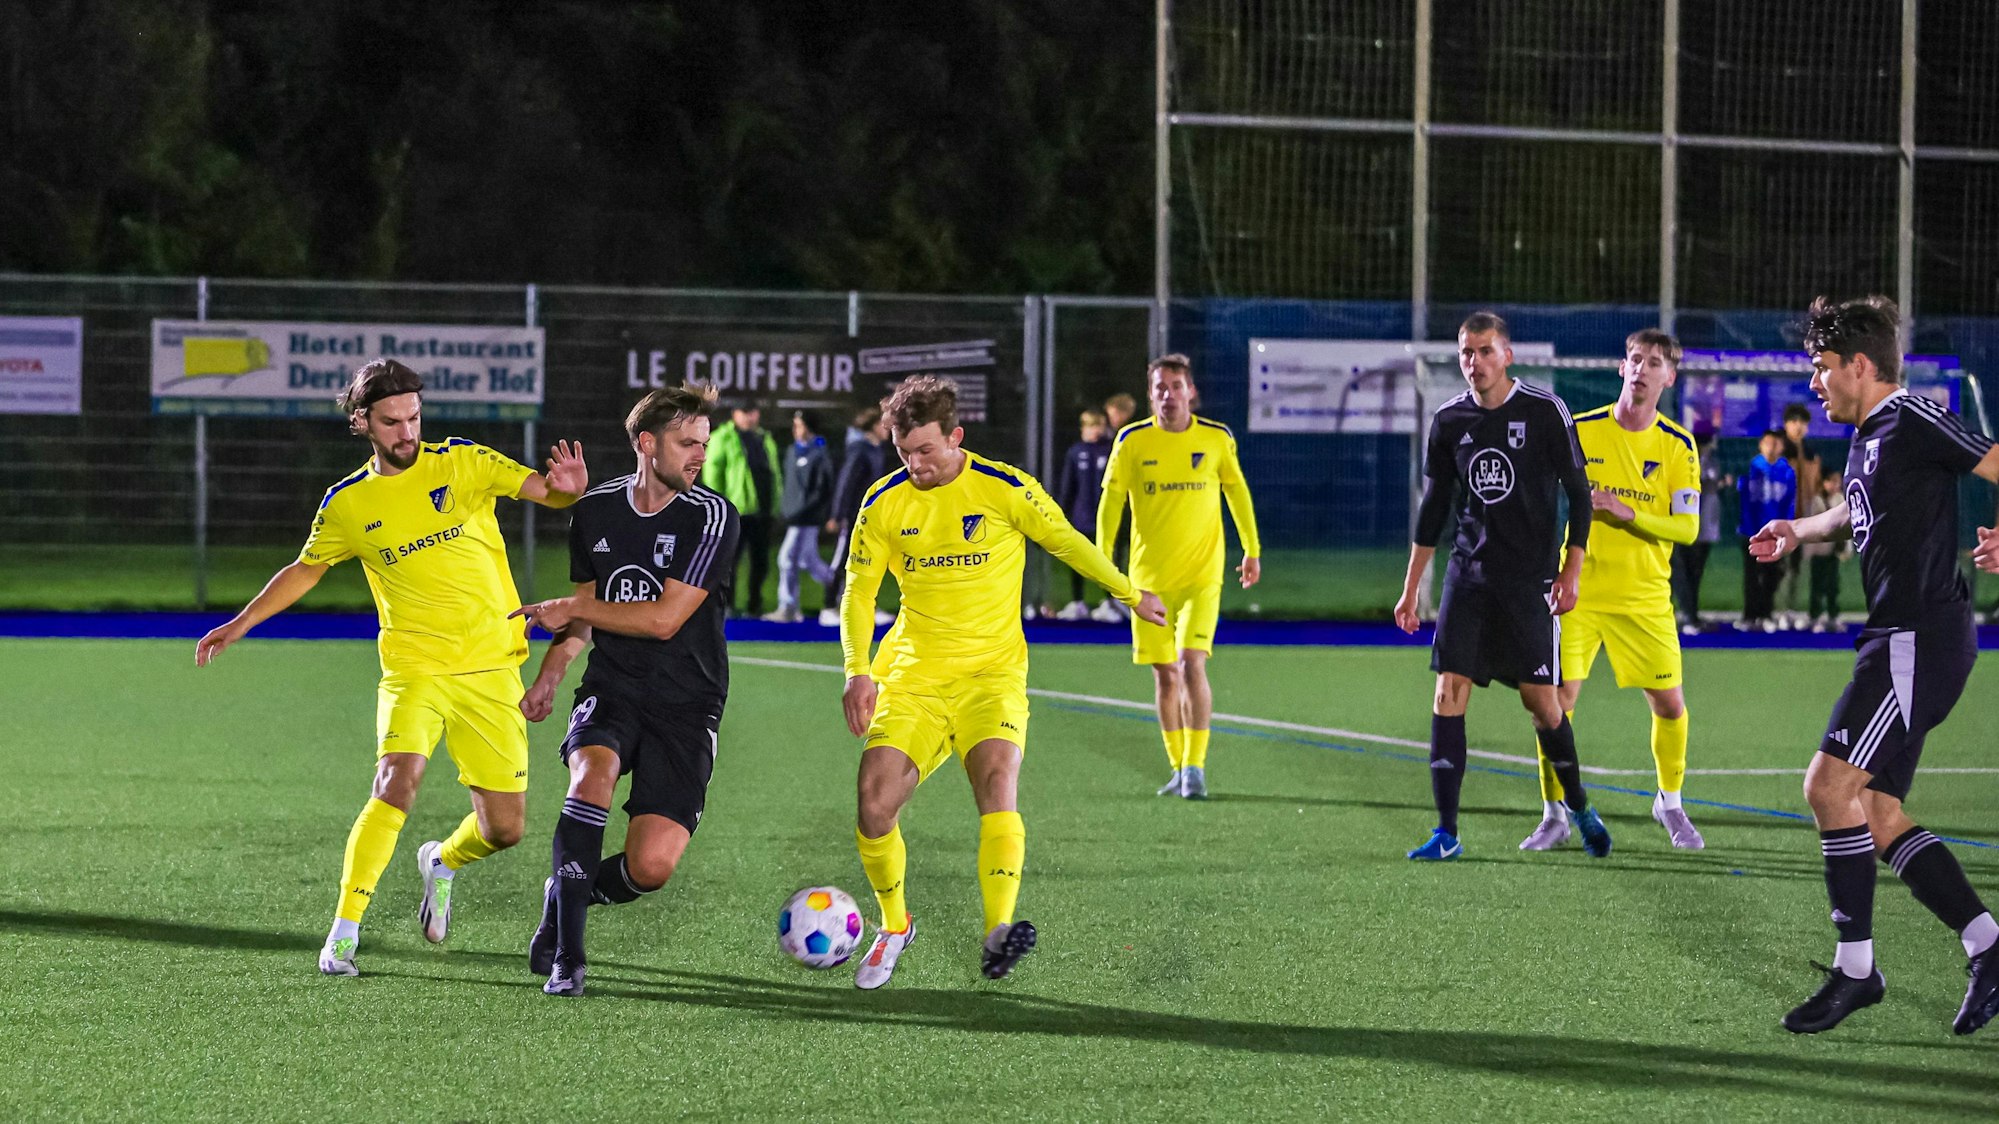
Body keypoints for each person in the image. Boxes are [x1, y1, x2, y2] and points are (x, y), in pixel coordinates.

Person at [194, 358, 587, 976]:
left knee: (505, 830)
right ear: (361, 422)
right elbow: (306, 569)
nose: (407, 432)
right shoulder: (348, 503)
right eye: (391, 422)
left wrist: (571, 487)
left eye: (413, 418)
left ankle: (442, 862)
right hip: (414, 668)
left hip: (491, 669)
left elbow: (551, 493)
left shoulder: (464, 462)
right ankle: (343, 934)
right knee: (394, 783)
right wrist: (240, 623)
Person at [837, 376, 1165, 989]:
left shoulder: (1004, 488)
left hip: (991, 676)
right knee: (874, 806)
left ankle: (997, 933)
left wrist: (1129, 593)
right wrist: (858, 671)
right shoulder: (883, 502)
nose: (915, 465)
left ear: (956, 437)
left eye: (925, 450)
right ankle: (894, 924)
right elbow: (858, 593)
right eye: (903, 452)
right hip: (912, 677)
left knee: (996, 782)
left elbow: (1066, 541)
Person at [1748, 295, 1999, 1036]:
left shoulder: (1912, 416)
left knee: (1827, 787)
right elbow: (1854, 514)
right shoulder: (1868, 437)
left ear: (1860, 365)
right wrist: (1799, 528)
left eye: (1822, 368)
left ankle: (1856, 971)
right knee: (1878, 813)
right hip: (1901, 640)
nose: (1814, 383)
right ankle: (1988, 944)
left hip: (1916, 640)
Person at [511, 385, 740, 997]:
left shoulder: (712, 516)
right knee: (590, 778)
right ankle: (569, 957)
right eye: (687, 443)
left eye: (703, 443)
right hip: (612, 687)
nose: (699, 455)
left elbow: (663, 619)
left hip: (687, 704)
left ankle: (564, 892)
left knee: (651, 867)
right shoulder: (594, 510)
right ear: (647, 444)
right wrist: (550, 676)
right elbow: (586, 614)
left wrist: (571, 607)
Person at [1392, 311, 1611, 862]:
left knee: (1543, 706)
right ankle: (1446, 832)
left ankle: (1579, 806)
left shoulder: (1545, 411)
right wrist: (1412, 588)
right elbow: (1434, 510)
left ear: (1507, 355)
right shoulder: (1448, 421)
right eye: (1467, 352)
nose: (1475, 362)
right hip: (1468, 577)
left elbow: (1580, 497)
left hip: (1529, 582)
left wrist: (1571, 571)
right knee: (1447, 693)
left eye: (1485, 350)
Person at [1522, 329, 1703, 853]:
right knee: (1555, 704)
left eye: (1655, 363)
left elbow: (1688, 528)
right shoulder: (1580, 430)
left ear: (1670, 377)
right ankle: (1554, 814)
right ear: (1622, 368)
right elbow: (1535, 492)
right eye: (1636, 359)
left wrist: (1630, 514)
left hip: (1644, 598)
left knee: (1670, 704)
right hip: (1578, 592)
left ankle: (1669, 802)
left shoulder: (1677, 445)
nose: (1643, 369)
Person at [1097, 356, 1262, 799]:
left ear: (1191, 391)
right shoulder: (1132, 441)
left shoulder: (1216, 438)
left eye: (1176, 386)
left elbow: (1237, 490)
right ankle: (1177, 764)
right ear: (1150, 395)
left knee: (1191, 663)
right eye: (1160, 387)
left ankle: (1195, 767)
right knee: (1165, 675)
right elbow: (1111, 501)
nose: (1168, 394)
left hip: (1202, 576)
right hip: (1147, 583)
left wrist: (1251, 548)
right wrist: (1102, 560)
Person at [703, 400, 781, 616]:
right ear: (734, 414)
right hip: (735, 512)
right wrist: (720, 507)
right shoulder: (723, 438)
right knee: (728, 562)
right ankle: (727, 605)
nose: (749, 417)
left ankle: (755, 604)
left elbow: (773, 474)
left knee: (761, 562)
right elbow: (713, 475)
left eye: (752, 412)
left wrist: (774, 506)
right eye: (744, 412)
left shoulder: (764, 438)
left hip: (761, 512)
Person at [821, 405, 893, 627]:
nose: (888, 429)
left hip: (870, 518)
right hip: (852, 517)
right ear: (873, 426)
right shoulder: (859, 450)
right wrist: (838, 515)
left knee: (869, 563)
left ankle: (867, 607)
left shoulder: (875, 450)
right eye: (884, 425)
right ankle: (828, 607)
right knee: (841, 560)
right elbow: (846, 484)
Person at [767, 410, 835, 623]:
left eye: (799, 425)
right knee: (809, 561)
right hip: (795, 517)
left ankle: (788, 607)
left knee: (787, 558)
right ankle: (841, 588)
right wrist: (787, 509)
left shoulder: (819, 453)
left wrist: (806, 509)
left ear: (809, 427)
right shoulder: (792, 451)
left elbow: (822, 489)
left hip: (808, 518)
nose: (795, 429)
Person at [1051, 409, 1114, 621]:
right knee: (1078, 561)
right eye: (1091, 426)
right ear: (1083, 429)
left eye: (1099, 426)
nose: (1095, 430)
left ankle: (1110, 602)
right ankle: (1078, 602)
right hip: (1081, 518)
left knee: (1107, 561)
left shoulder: (1110, 450)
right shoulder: (1076, 452)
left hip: (1104, 518)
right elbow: (1068, 487)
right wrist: (1062, 514)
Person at [1737, 429, 1796, 631]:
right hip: (1751, 530)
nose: (1771, 447)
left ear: (1781, 447)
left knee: (1772, 574)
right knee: (1751, 575)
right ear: (1761, 445)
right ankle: (1750, 615)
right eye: (1768, 443)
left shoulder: (1786, 471)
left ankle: (1766, 613)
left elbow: (1789, 502)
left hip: (1774, 532)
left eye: (1775, 443)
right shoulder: (1751, 468)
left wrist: (1785, 528)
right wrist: (1748, 528)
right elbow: (1744, 502)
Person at [1774, 402, 1825, 628]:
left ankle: (1791, 609)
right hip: (1780, 517)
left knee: (1796, 567)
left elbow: (1815, 485)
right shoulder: (1778, 451)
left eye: (1803, 422)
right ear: (1786, 424)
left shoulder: (1811, 453)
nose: (1798, 426)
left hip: (1802, 518)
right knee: (1778, 566)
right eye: (1794, 421)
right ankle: (1775, 610)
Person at [1093, 393, 1142, 623]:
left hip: (1133, 506)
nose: (1109, 417)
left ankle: (1128, 598)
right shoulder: (1108, 438)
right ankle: (1114, 599)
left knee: (1129, 553)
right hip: (1117, 502)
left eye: (1113, 413)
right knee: (1111, 554)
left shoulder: (1133, 436)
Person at [1672, 424, 1726, 634]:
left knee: (1695, 573)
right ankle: (1687, 615)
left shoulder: (1711, 462)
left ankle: (1692, 615)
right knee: (1681, 573)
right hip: (1684, 528)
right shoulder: (1685, 460)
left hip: (1704, 529)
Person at [1802, 470, 1850, 632]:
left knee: (1833, 585)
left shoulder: (1840, 499)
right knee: (1817, 584)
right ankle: (1815, 616)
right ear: (1824, 482)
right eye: (1832, 481)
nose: (1835, 485)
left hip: (1834, 550)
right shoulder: (1817, 500)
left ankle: (1833, 616)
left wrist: (1845, 548)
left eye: (1837, 482)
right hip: (1819, 550)